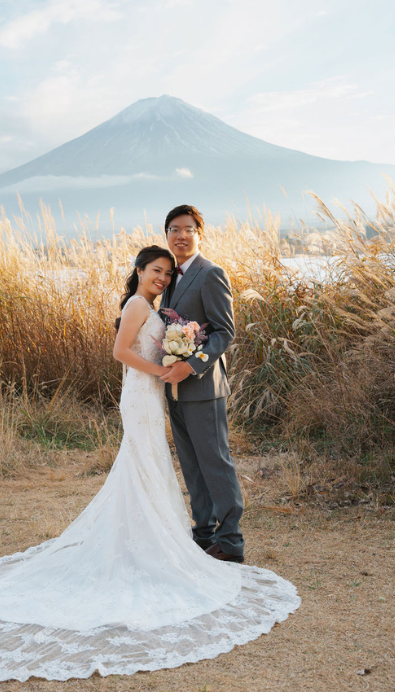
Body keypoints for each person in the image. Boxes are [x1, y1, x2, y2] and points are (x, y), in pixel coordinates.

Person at [0, 246, 300, 681]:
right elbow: (121, 352)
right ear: (139, 270)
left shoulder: (154, 304)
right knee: (143, 465)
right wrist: (161, 371)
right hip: (143, 394)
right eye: (155, 270)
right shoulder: (139, 304)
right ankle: (156, 542)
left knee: (150, 466)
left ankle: (171, 537)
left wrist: (180, 353)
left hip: (152, 396)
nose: (161, 277)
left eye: (165, 272)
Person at [158, 204, 244, 562]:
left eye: (188, 229)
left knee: (215, 463)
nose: (180, 235)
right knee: (191, 465)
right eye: (174, 229)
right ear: (167, 235)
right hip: (172, 387)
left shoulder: (211, 273)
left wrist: (191, 366)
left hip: (203, 387)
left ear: (200, 234)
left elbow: (225, 332)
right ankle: (203, 534)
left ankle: (230, 542)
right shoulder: (169, 276)